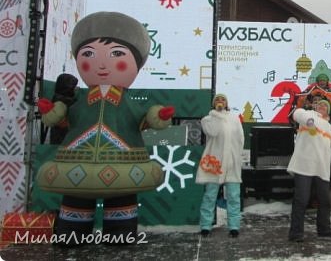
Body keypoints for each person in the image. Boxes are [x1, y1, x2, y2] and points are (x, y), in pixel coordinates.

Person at [36, 12, 174, 246]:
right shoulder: (80, 101)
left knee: (121, 203)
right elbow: (63, 118)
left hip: (123, 162)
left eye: (116, 54)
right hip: (76, 163)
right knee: (75, 204)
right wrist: (55, 112)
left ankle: (119, 235)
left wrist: (157, 116)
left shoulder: (126, 102)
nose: (101, 64)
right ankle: (73, 235)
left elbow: (144, 117)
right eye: (88, 54)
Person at [287, 101, 331, 242]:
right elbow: (297, 114)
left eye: (325, 106)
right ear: (315, 107)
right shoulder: (308, 114)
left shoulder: (328, 127)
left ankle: (324, 230)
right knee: (301, 200)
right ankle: (296, 233)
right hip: (304, 166)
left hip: (321, 168)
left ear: (328, 111)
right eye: (320, 105)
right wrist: (309, 122)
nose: (322, 107)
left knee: (325, 201)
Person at [197, 93, 245, 238]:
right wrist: (217, 115)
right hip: (215, 162)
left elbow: (240, 138)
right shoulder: (207, 119)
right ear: (213, 103)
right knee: (210, 195)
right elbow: (213, 131)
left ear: (226, 103)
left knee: (233, 196)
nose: (220, 101)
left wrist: (237, 156)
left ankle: (234, 226)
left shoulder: (234, 118)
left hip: (231, 162)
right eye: (217, 99)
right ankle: (205, 225)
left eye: (223, 99)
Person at [44, 73, 78, 145]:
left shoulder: (56, 97)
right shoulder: (64, 101)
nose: (75, 89)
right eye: (73, 87)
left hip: (58, 137)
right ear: (67, 88)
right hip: (63, 139)